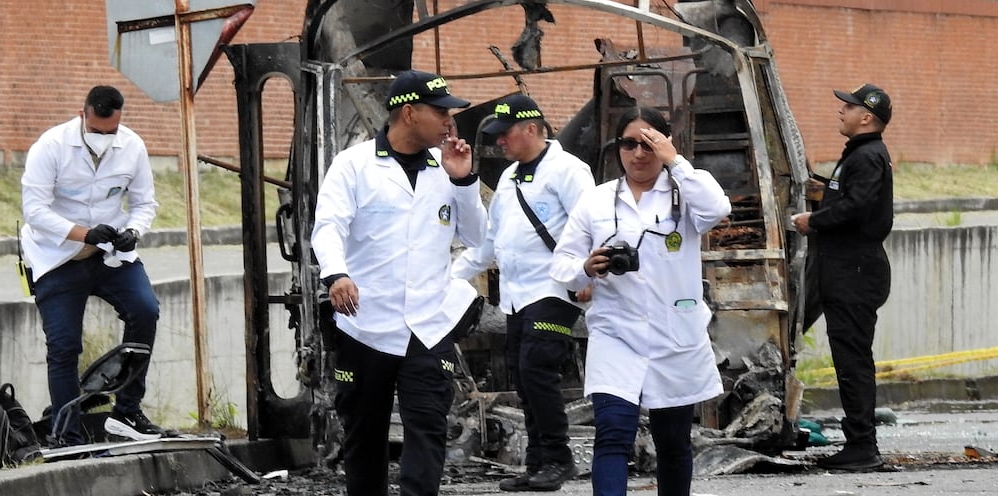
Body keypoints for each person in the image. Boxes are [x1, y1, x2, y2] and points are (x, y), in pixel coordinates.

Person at [311, 69, 487, 496]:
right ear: (408, 112)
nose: (450, 122)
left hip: (428, 325)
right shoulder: (353, 165)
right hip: (366, 323)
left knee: (427, 427)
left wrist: (464, 179)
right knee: (364, 435)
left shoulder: (446, 170)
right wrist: (337, 273)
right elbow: (328, 226)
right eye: (441, 112)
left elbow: (478, 238)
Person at [549, 105, 731, 496]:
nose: (638, 153)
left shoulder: (685, 194)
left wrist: (676, 161)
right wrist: (588, 266)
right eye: (629, 144)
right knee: (613, 433)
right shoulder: (596, 201)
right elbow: (562, 265)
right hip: (617, 333)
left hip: (675, 335)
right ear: (617, 149)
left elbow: (718, 208)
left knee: (673, 441)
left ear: (664, 145)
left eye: (648, 144)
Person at [451, 94, 595, 492]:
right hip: (516, 295)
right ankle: (537, 464)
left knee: (537, 370)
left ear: (532, 129)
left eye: (505, 134)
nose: (499, 142)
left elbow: (593, 226)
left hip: (554, 287)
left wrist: (588, 278)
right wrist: (452, 275)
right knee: (524, 376)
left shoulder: (568, 170)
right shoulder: (511, 176)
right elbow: (491, 242)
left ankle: (558, 459)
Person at [20, 85, 168, 445]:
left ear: (120, 121)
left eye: (111, 131)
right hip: (58, 256)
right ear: (83, 113)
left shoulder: (132, 146)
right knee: (64, 345)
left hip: (111, 254)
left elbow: (146, 203)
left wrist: (134, 230)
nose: (104, 137)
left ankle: (127, 413)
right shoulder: (51, 146)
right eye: (97, 131)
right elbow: (35, 211)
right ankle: (67, 435)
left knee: (145, 310)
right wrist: (82, 233)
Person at [792, 84, 894, 472]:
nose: (841, 111)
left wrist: (812, 221)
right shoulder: (861, 154)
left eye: (847, 107)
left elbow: (856, 207)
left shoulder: (867, 157)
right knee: (851, 358)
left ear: (866, 116)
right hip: (849, 270)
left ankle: (862, 447)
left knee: (853, 361)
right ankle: (860, 442)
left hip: (855, 272)